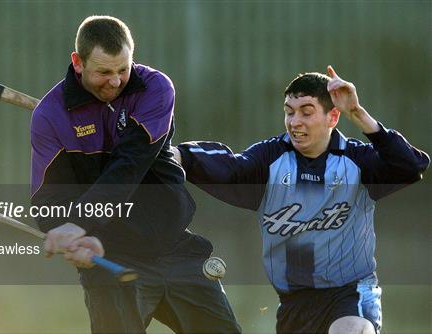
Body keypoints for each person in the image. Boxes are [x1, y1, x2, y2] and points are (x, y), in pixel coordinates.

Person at [174, 66, 429, 334]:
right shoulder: (271, 157)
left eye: (306, 112)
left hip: (350, 294)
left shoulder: (357, 160)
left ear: (332, 117)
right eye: (289, 112)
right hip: (294, 306)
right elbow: (231, 167)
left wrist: (357, 113)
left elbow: (411, 166)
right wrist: (179, 156)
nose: (295, 121)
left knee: (352, 330)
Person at [30, 15, 241, 334]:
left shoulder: (155, 88)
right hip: (110, 255)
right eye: (103, 72)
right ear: (78, 62)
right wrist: (66, 231)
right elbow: (47, 199)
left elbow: (130, 165)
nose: (115, 82)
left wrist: (80, 221)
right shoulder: (49, 116)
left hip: (175, 248)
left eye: (122, 70)